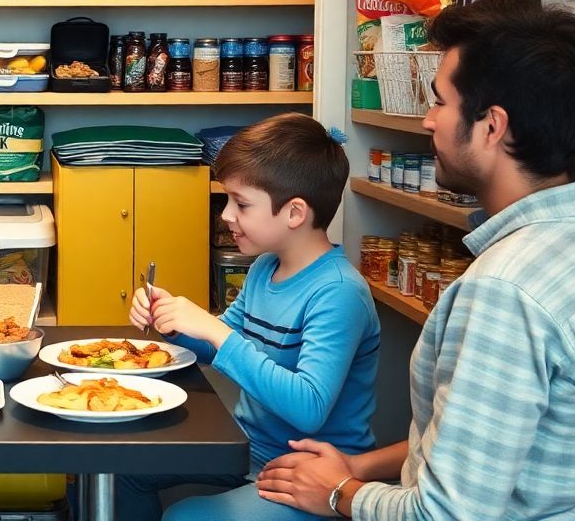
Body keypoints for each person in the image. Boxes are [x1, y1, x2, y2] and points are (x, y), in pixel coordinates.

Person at [257, 0, 575, 519]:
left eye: (439, 102)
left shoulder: (505, 293)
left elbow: (445, 515)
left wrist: (336, 494)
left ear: (492, 126)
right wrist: (358, 466)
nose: (428, 121)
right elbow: (485, 446)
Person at [118, 113, 380, 521]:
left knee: (186, 518)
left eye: (240, 203)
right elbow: (215, 347)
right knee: (121, 471)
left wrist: (215, 331)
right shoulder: (264, 268)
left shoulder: (339, 293)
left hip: (311, 474)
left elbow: (309, 407)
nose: (225, 214)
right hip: (246, 448)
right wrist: (172, 321)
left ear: (294, 213)